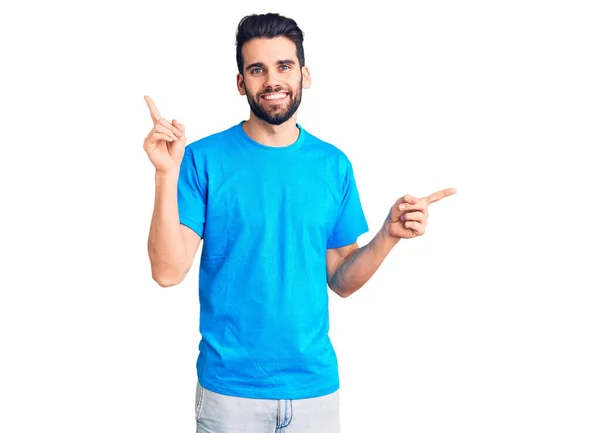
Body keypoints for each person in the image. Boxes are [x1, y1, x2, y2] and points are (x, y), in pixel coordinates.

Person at [144, 12, 455, 433]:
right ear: (241, 83)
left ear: (304, 75)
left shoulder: (333, 165)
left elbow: (342, 280)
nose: (272, 80)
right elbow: (166, 271)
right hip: (229, 395)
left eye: (284, 66)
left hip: (315, 394)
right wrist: (166, 173)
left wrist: (388, 236)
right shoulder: (202, 159)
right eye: (257, 69)